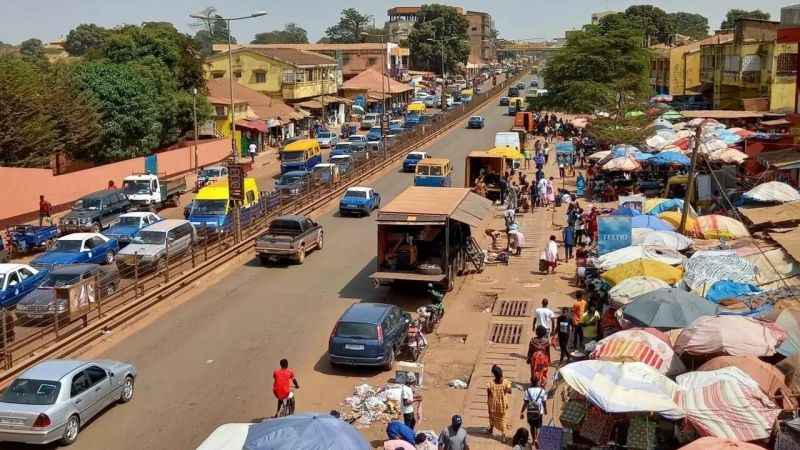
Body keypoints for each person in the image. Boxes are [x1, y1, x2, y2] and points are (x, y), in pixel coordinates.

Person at [486, 365, 512, 440]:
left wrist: (488, 403)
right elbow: (510, 391)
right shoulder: (505, 382)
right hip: (502, 405)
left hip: (493, 404)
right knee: (502, 419)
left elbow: (488, 394)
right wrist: (506, 389)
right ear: (501, 373)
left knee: (491, 416)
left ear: (494, 374)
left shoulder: (490, 384)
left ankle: (491, 429)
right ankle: (503, 434)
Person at [520, 380, 547, 447]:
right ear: (538, 382)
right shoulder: (542, 391)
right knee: (538, 426)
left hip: (530, 412)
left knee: (532, 426)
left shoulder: (527, 391)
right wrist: (545, 410)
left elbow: (525, 403)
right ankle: (536, 439)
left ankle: (533, 439)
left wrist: (522, 411)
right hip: (539, 412)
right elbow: (544, 402)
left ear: (531, 382)